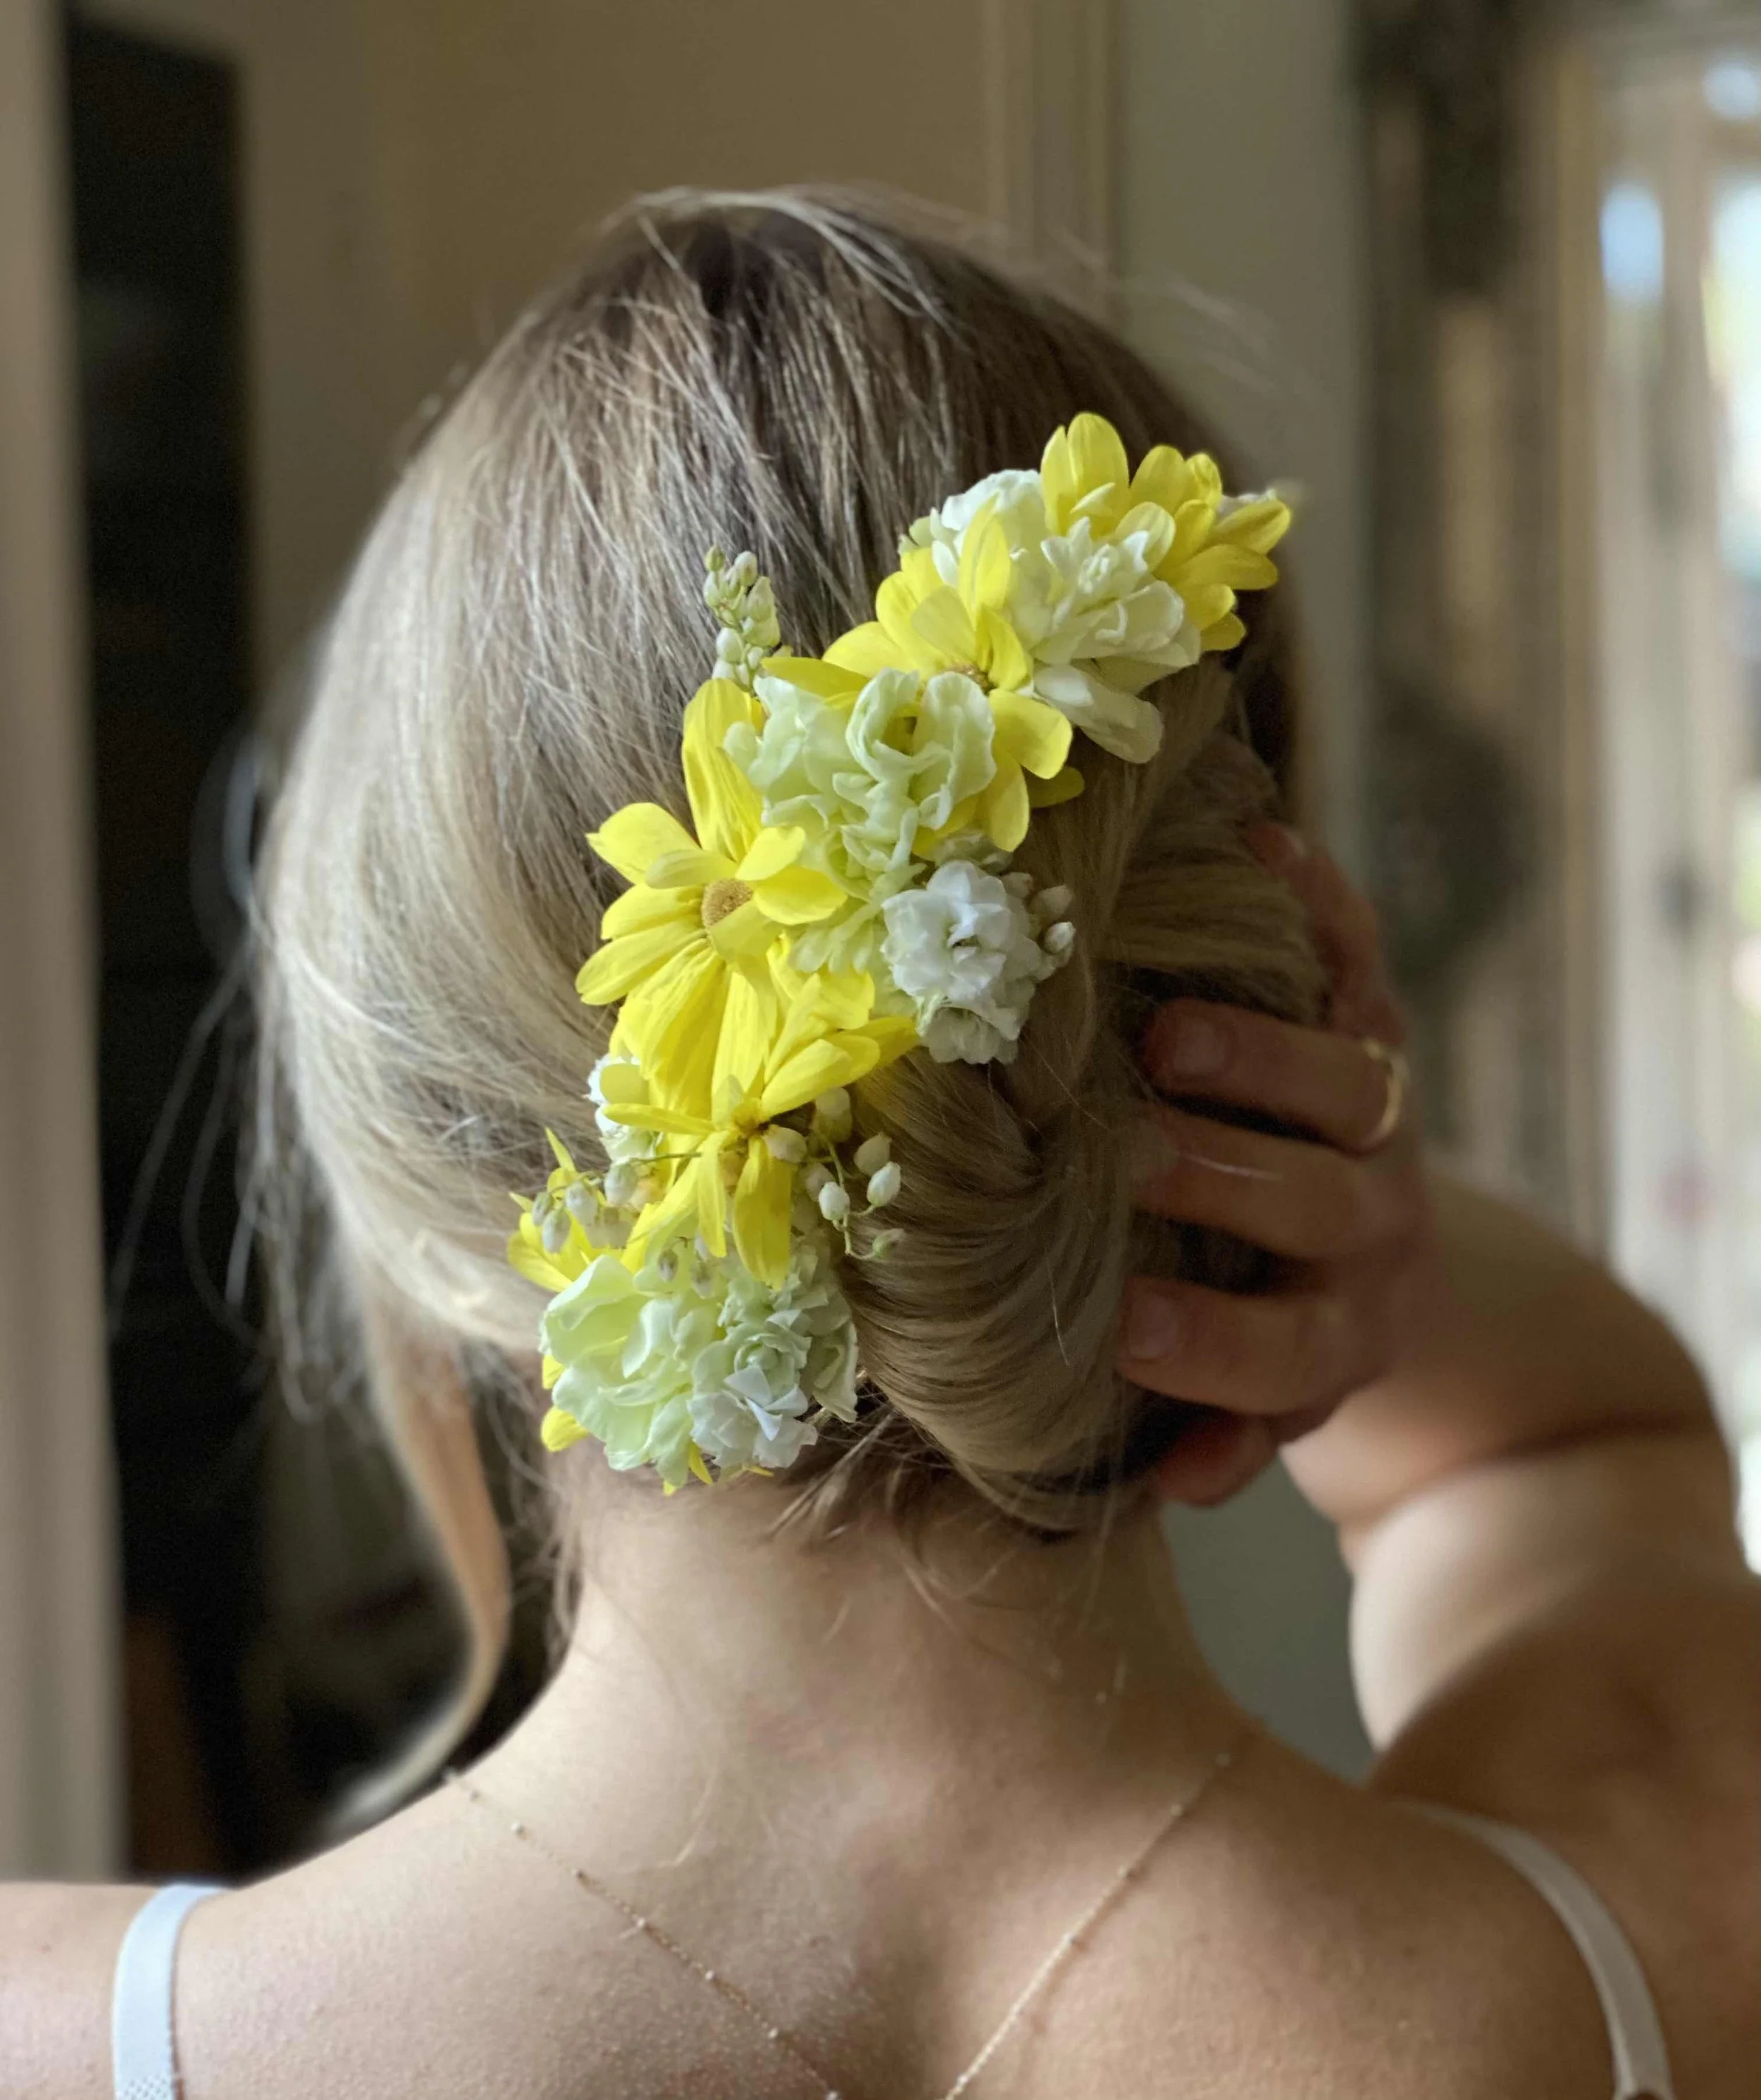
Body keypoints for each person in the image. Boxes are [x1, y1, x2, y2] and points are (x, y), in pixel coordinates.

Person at [4, 192, 1755, 2100]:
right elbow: (1580, 1445)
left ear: (430, 1163)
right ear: (1247, 979)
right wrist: (1368, 1243)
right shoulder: (1640, 1950)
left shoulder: (65, 2042)